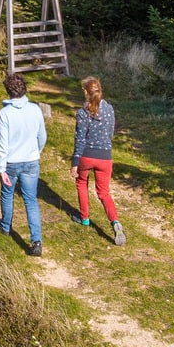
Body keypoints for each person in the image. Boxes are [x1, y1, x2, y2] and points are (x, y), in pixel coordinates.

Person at [0, 72, 47, 257]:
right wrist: (36, 152)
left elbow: (2, 143)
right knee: (31, 200)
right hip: (31, 161)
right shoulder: (35, 109)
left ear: (8, 90)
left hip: (11, 162)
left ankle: (5, 226)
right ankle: (36, 240)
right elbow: (42, 137)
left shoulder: (4, 113)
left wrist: (1, 168)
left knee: (7, 195)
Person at [70, 76, 125, 245]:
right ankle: (115, 221)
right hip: (105, 156)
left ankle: (85, 218)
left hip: (87, 155)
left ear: (86, 92)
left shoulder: (82, 113)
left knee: (81, 183)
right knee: (103, 193)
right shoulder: (109, 109)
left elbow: (80, 139)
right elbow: (110, 133)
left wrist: (75, 163)